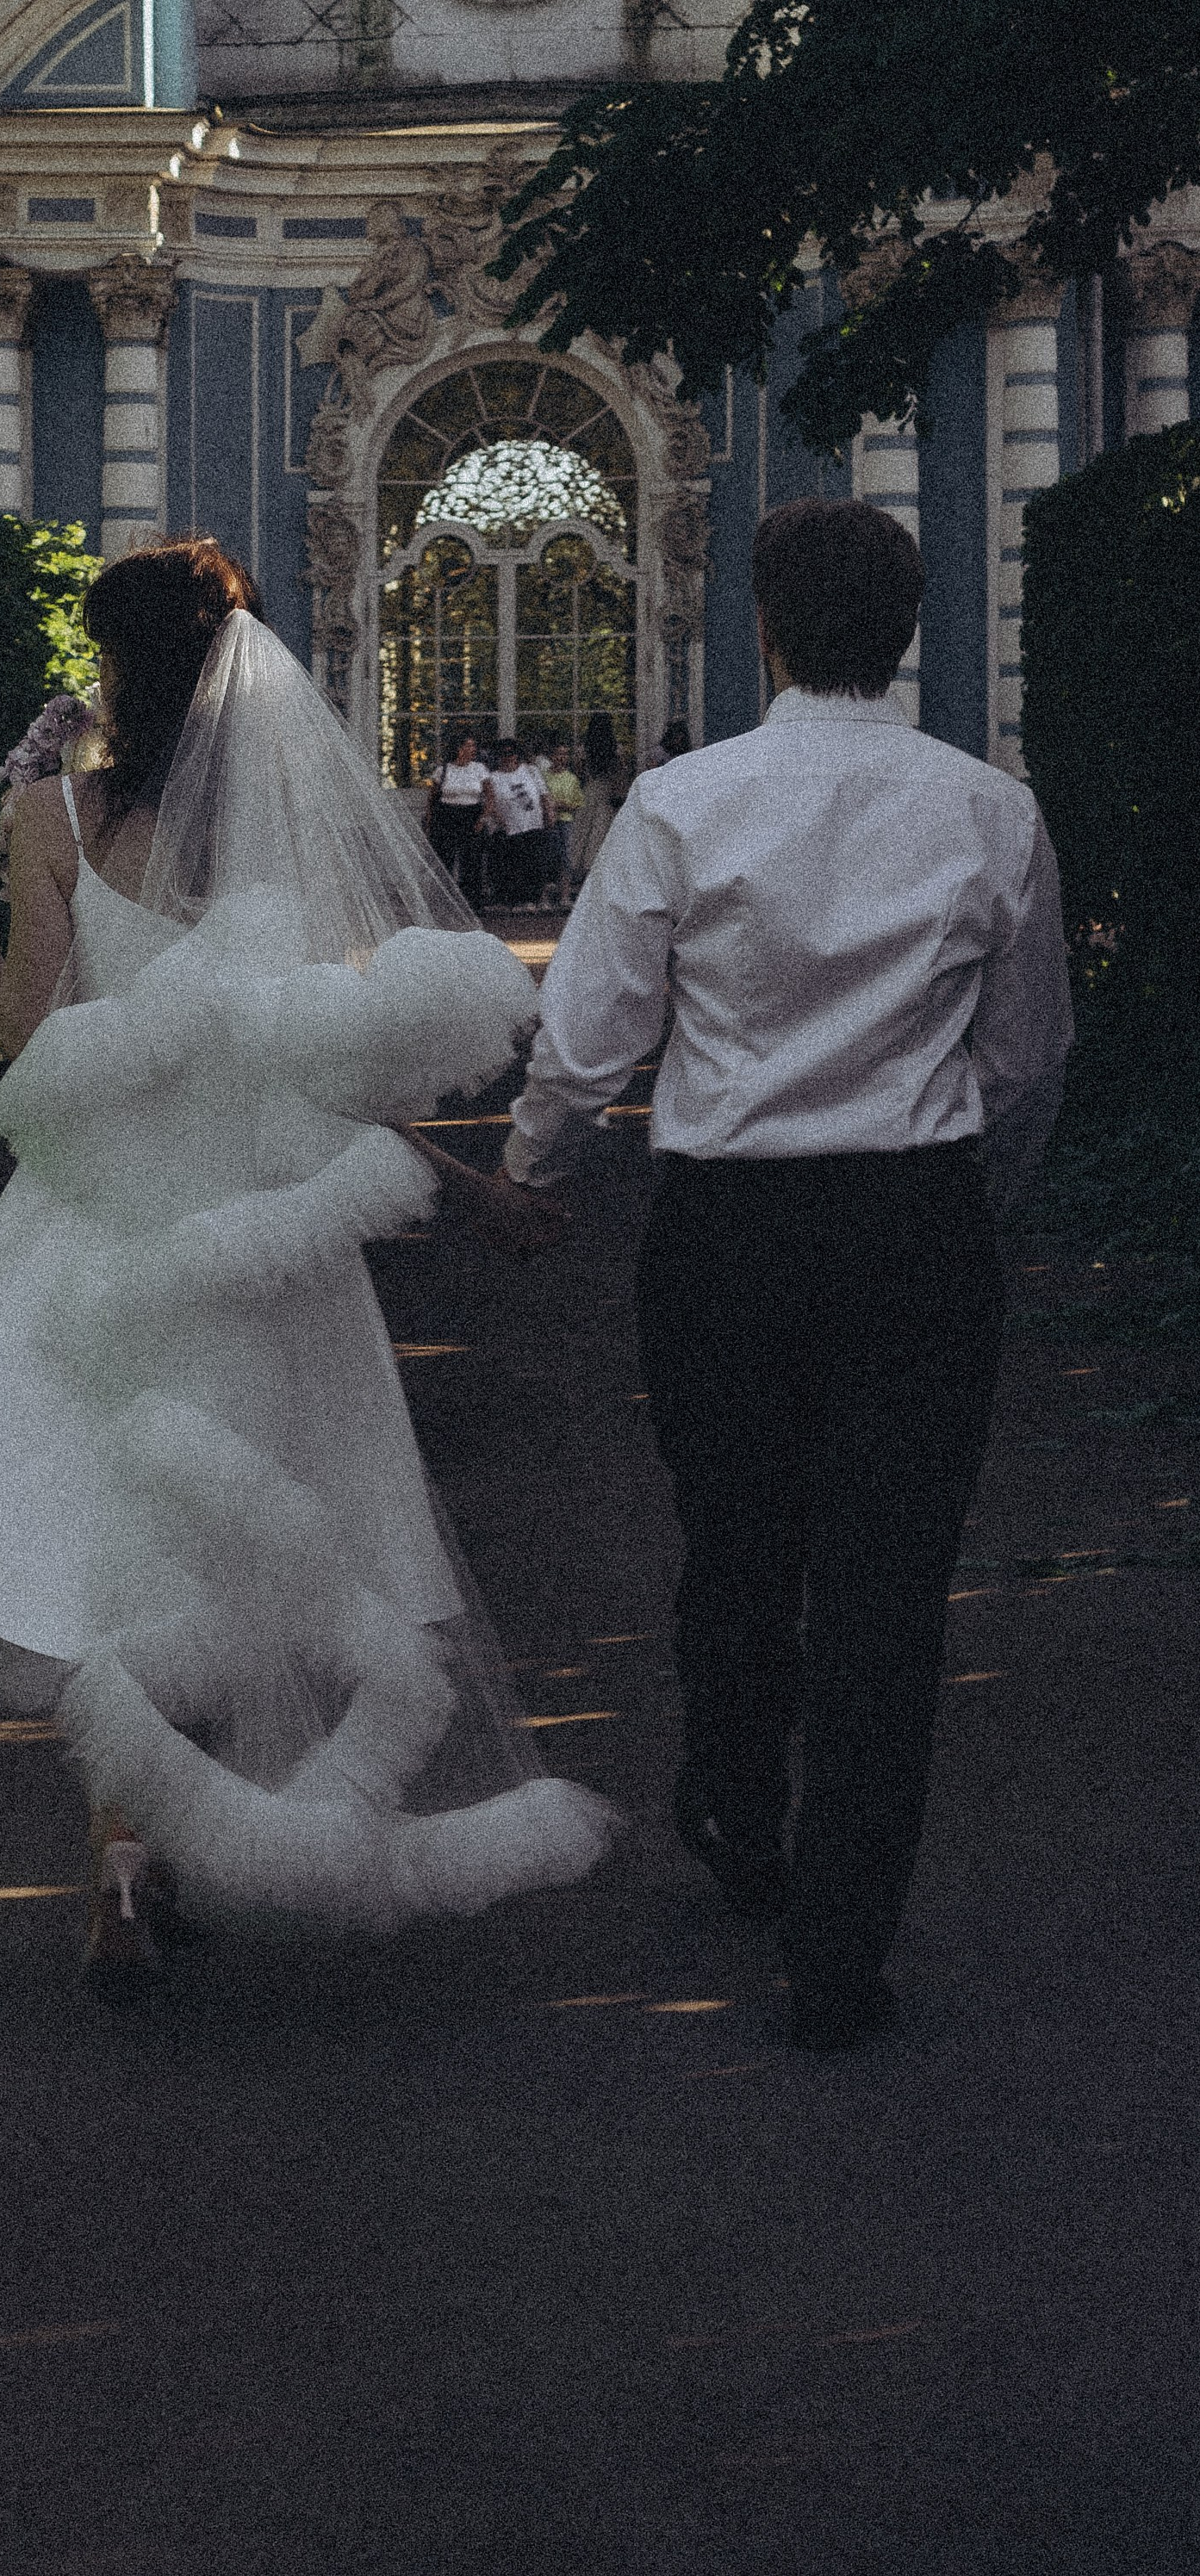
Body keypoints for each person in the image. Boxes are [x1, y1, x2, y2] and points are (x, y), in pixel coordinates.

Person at [0, 541, 608, 1996]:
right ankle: (175, 1836)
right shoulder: (276, 830)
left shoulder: (49, 812)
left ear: (109, 662)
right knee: (241, 1541)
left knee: (112, 1539)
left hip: (96, 1222)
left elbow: (28, 1044)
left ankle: (123, 1852)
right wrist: (474, 1182)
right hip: (257, 1226)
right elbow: (320, 1073)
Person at [503, 497, 1073, 2049]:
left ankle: (738, 1807)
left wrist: (527, 1172)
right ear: (900, 632)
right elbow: (1024, 1062)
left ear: (757, 626)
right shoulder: (985, 808)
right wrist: (972, 1203)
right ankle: (840, 1941)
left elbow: (589, 1038)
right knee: (890, 1588)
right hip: (914, 1231)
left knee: (735, 1538)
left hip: (726, 1239)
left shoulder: (684, 805)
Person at [481, 737, 549, 909]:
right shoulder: (493, 777)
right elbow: (490, 801)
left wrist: (550, 813)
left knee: (533, 862)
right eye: (504, 754)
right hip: (509, 827)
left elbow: (543, 794)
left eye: (512, 753)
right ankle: (513, 900)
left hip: (533, 824)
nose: (508, 757)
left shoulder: (531, 770)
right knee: (512, 864)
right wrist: (498, 819)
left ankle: (532, 898)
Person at [426, 729, 489, 905]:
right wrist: (431, 821)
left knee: (471, 860)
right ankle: (443, 900)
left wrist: (482, 818)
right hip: (448, 815)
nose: (472, 749)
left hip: (471, 814)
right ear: (458, 748)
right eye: (468, 746)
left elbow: (490, 797)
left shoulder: (479, 769)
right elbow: (432, 798)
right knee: (445, 858)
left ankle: (472, 900)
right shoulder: (444, 770)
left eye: (473, 746)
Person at [566, 712, 627, 887]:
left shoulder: (584, 750)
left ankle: (580, 872)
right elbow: (619, 773)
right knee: (601, 832)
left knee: (583, 832)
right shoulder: (615, 750)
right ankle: (602, 873)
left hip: (589, 791)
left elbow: (578, 774)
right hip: (607, 793)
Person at [540, 743, 581, 910]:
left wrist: (562, 805)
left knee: (565, 858)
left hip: (565, 820)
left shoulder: (571, 778)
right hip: (547, 821)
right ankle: (543, 897)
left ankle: (564, 895)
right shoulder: (543, 776)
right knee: (546, 858)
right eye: (558, 753)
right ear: (551, 756)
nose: (561, 757)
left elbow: (577, 803)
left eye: (565, 754)